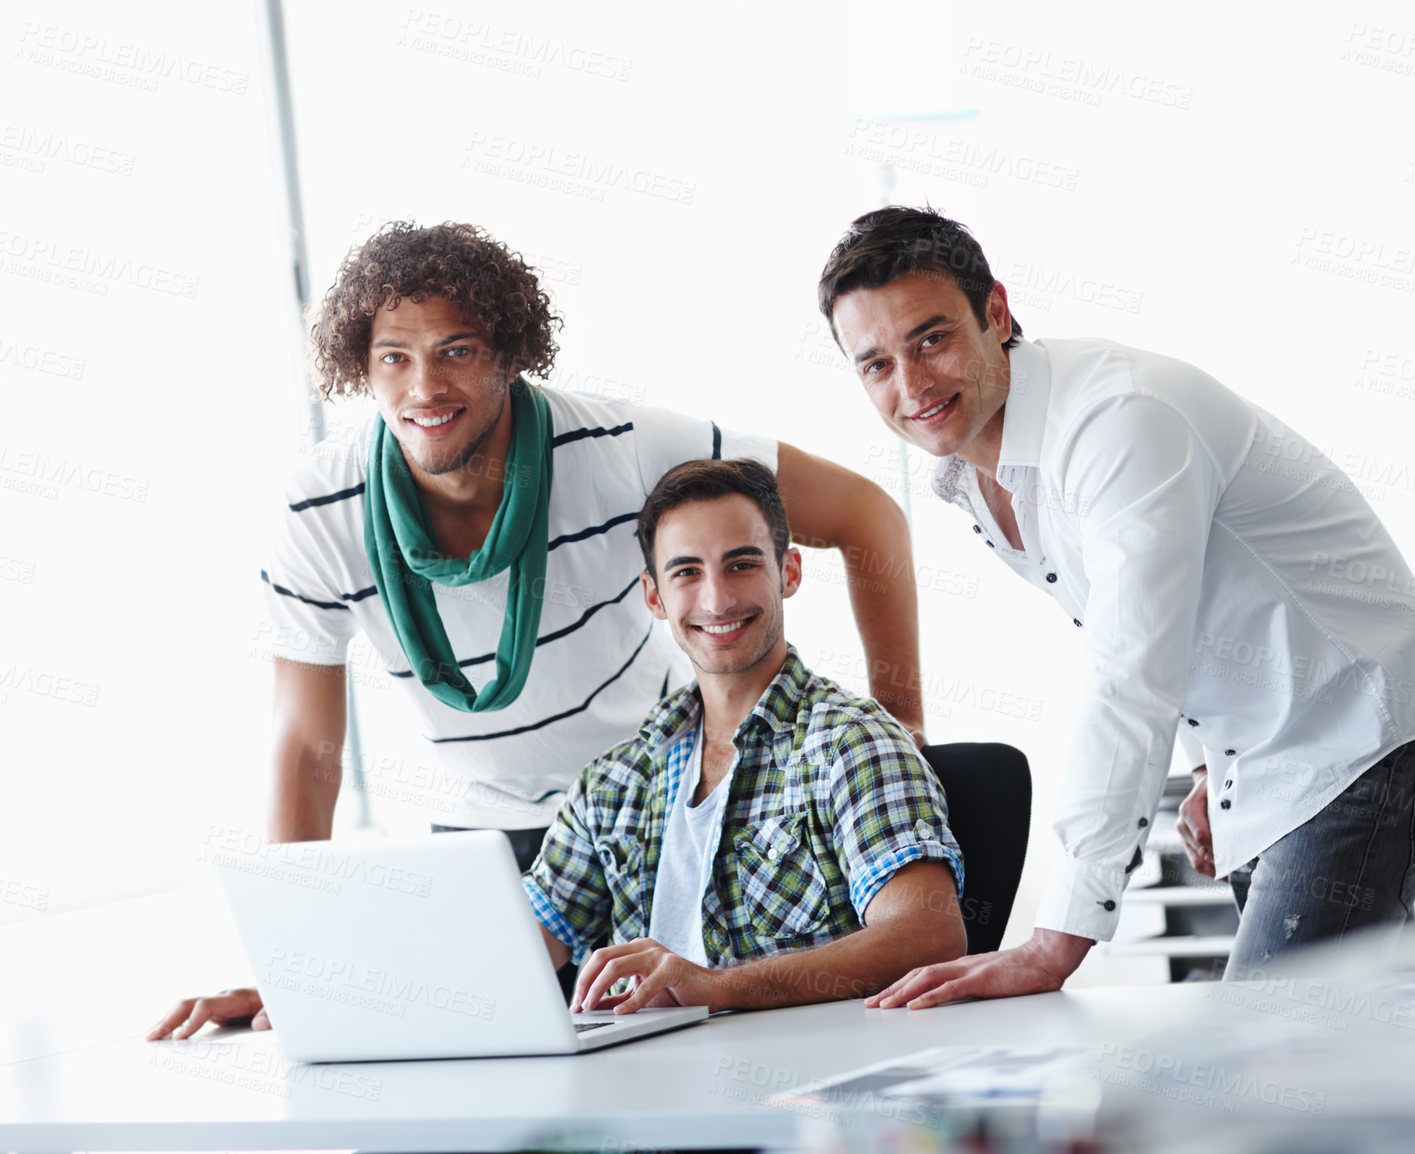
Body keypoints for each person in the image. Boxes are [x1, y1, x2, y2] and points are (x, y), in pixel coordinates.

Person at [813, 207, 1415, 1005]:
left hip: (1359, 740)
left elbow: (1129, 673)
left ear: (995, 312)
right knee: (1345, 1063)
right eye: (877, 365)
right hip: (1272, 753)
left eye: (931, 339)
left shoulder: (1117, 422)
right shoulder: (975, 471)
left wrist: (1054, 943)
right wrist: (1212, 761)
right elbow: (1187, 614)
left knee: (1271, 1059)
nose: (913, 384)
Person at [149, 458, 965, 1039]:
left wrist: (716, 989)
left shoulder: (851, 741)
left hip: (802, 1103)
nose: (716, 598)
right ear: (652, 596)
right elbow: (510, 955)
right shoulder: (619, 779)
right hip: (637, 1104)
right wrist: (306, 995)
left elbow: (928, 935)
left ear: (788, 573)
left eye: (741, 565)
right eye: (685, 573)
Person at [260, 221, 925, 871]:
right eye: (394, 358)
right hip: (478, 827)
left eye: (457, 350)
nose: (425, 387)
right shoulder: (318, 510)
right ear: (362, 367)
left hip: (655, 790)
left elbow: (865, 516)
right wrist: (281, 956)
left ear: (509, 355)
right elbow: (306, 750)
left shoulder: (625, 449)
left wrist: (903, 738)